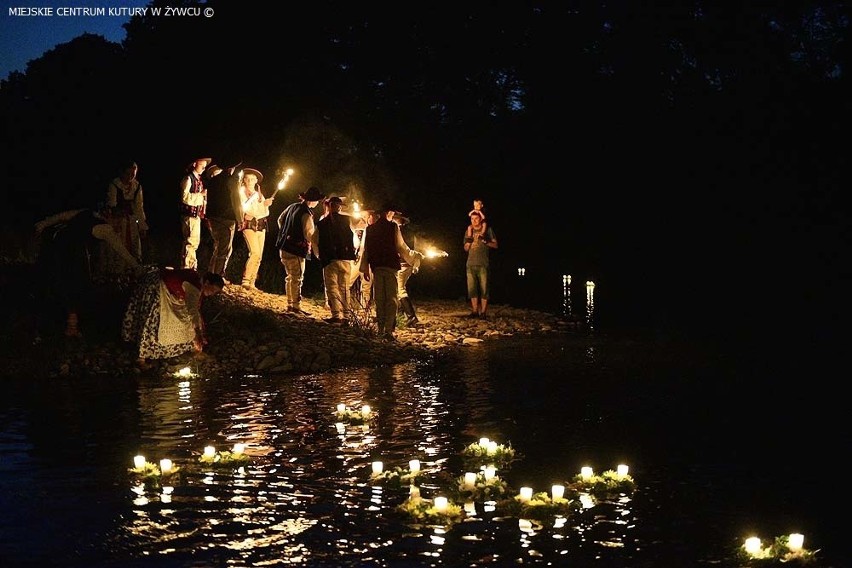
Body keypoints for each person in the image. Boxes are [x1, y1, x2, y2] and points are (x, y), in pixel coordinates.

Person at [34, 207, 141, 338]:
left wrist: (44, 223)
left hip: (56, 248)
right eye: (119, 223)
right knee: (75, 289)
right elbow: (120, 249)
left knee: (60, 287)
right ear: (113, 218)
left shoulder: (88, 213)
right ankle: (68, 327)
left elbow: (63, 215)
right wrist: (136, 266)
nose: (119, 228)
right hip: (70, 255)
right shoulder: (105, 229)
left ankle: (62, 326)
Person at [121, 267, 225, 368]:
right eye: (213, 290)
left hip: (168, 289)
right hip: (157, 287)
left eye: (215, 292)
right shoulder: (194, 287)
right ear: (207, 283)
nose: (212, 294)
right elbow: (193, 310)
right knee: (154, 321)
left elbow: (194, 308)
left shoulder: (198, 283)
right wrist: (197, 333)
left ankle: (193, 349)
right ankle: (141, 358)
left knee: (187, 320)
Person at [358, 203, 419, 340]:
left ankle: (380, 329)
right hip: (390, 265)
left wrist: (365, 268)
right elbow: (401, 246)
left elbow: (365, 250)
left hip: (377, 266)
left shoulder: (370, 228)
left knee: (379, 298)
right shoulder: (393, 227)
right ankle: (388, 330)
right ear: (389, 213)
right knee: (391, 299)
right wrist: (413, 258)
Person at [275, 186, 324, 315]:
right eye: (317, 200)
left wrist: (286, 232)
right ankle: (295, 306)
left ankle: (290, 304)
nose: (318, 203)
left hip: (284, 246)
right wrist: (316, 247)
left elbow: (280, 220)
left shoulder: (292, 207)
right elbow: (309, 234)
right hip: (296, 250)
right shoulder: (306, 214)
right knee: (297, 278)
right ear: (312, 201)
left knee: (289, 277)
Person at [313, 196, 358, 324]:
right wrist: (352, 251)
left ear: (329, 206)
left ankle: (336, 315)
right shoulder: (348, 220)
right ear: (339, 207)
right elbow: (354, 238)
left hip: (330, 259)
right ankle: (346, 315)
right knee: (344, 287)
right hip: (345, 258)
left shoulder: (321, 223)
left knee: (332, 287)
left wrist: (319, 255)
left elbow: (314, 240)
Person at [204, 162, 243, 281]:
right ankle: (217, 277)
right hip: (226, 218)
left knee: (217, 246)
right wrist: (240, 219)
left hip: (213, 216)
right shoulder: (231, 180)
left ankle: (211, 273)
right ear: (231, 168)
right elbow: (236, 200)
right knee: (224, 249)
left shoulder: (213, 180)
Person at [105, 160, 148, 265]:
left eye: (133, 174)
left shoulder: (136, 187)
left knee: (134, 246)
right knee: (119, 246)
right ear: (122, 173)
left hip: (132, 221)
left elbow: (139, 207)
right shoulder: (115, 185)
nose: (130, 177)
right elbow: (112, 205)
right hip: (118, 222)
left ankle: (134, 270)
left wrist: (142, 226)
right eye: (127, 174)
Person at [238, 167, 273, 291]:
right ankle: (246, 280)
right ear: (245, 180)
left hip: (261, 226)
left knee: (259, 256)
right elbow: (246, 208)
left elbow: (264, 213)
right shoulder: (242, 192)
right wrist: (258, 204)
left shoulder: (259, 194)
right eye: (248, 179)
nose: (251, 181)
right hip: (249, 225)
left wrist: (265, 204)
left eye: (253, 179)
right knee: (255, 252)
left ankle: (252, 282)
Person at [463, 209, 498, 319]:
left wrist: (486, 242)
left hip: (483, 264)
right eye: (472, 219)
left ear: (480, 219)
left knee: (484, 289)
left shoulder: (487, 230)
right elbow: (465, 248)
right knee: (472, 289)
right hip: (470, 264)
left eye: (476, 218)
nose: (474, 221)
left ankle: (483, 312)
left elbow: (495, 245)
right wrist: (468, 244)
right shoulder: (468, 231)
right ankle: (474, 311)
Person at [392, 211, 423, 326]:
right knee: (398, 289)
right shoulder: (409, 233)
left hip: (402, 264)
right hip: (408, 263)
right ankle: (400, 315)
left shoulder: (397, 231)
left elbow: (401, 248)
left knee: (400, 290)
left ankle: (411, 316)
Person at [179, 156, 211, 269]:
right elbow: (184, 197)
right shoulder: (188, 179)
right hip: (189, 215)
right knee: (191, 240)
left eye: (204, 166)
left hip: (196, 215)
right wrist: (200, 195)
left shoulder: (199, 180)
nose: (203, 168)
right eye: (201, 165)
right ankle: (187, 266)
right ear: (194, 164)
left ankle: (191, 266)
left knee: (194, 241)